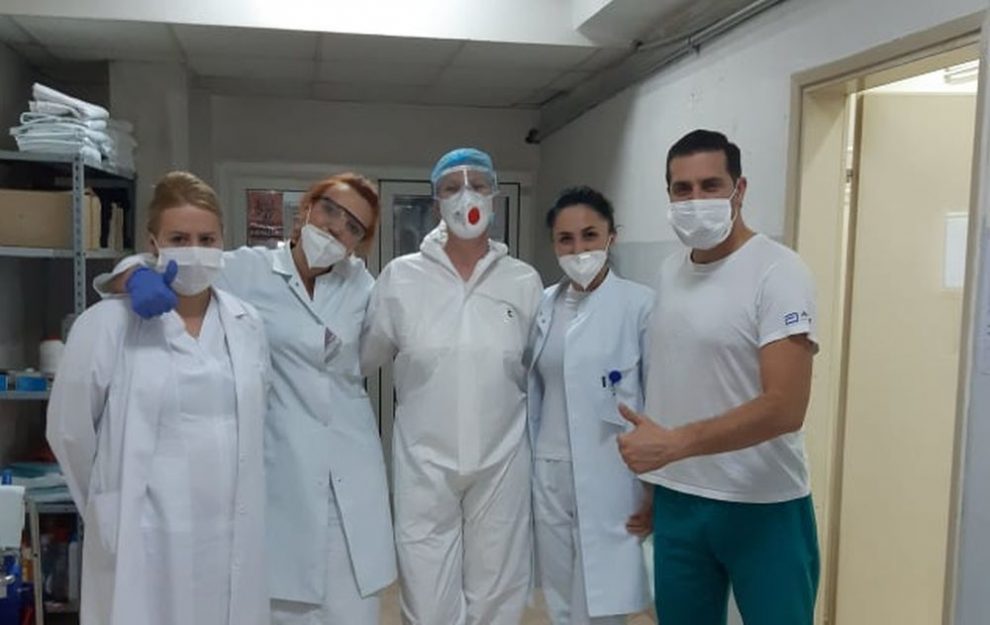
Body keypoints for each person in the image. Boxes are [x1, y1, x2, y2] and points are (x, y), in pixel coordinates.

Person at [92, 173, 395, 624]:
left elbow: (377, 350)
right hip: (282, 472)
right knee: (280, 603)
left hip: (351, 472)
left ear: (359, 244)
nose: (337, 227)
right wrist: (134, 278)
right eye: (331, 210)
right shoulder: (245, 270)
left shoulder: (363, 287)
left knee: (353, 608)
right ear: (306, 209)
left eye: (353, 226)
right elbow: (169, 260)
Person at [47, 171, 271, 625]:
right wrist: (109, 504)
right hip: (146, 530)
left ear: (223, 242)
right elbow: (69, 432)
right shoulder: (108, 323)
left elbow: (254, 421)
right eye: (179, 238)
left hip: (229, 528)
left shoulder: (246, 323)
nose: (195, 249)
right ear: (153, 243)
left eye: (207, 239)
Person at [617, 129, 820, 625]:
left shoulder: (778, 271)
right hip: (680, 502)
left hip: (763, 503)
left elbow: (786, 407)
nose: (695, 200)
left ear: (739, 189)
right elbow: (674, 383)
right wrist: (655, 485)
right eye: (682, 189)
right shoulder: (670, 272)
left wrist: (674, 445)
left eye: (710, 186)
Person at [360, 147, 543, 625]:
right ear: (436, 200)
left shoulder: (523, 281)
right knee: (427, 598)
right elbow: (359, 359)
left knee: (497, 595)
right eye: (452, 187)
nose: (467, 196)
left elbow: (538, 366)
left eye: (478, 185)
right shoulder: (401, 278)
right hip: (425, 462)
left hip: (502, 459)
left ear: (495, 195)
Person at [527, 186, 653, 625]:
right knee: (560, 596)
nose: (578, 249)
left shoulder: (640, 305)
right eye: (566, 239)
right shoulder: (544, 304)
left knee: (603, 596)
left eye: (590, 235)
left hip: (612, 469)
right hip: (548, 467)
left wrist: (653, 488)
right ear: (554, 244)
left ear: (611, 236)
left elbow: (657, 402)